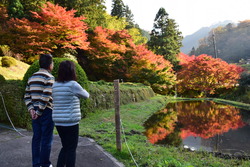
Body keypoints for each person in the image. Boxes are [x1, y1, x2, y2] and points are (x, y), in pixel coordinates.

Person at [52, 60, 89, 167]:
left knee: (65, 147)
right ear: (72, 71)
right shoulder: (73, 85)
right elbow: (86, 95)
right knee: (71, 149)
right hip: (71, 122)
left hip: (58, 122)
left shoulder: (54, 85)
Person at [24, 54, 54, 167]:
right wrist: (39, 111)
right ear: (50, 65)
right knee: (46, 138)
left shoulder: (32, 77)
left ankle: (36, 164)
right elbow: (46, 96)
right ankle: (45, 164)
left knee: (36, 138)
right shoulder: (49, 77)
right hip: (46, 111)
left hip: (35, 112)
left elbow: (26, 95)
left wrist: (31, 109)